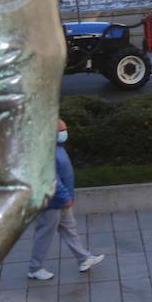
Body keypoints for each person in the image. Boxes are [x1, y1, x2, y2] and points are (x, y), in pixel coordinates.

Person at [27, 120, 105, 281]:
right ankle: (35, 268)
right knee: (44, 235)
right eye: (62, 131)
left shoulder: (56, 149)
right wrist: (65, 197)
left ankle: (84, 258)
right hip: (52, 202)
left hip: (60, 200)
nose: (65, 133)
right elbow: (51, 180)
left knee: (69, 229)